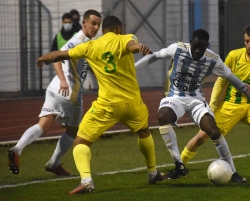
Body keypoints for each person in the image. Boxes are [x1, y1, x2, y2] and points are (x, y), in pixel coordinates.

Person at [37, 15, 164, 195]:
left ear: (103, 30)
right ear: (119, 29)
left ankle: (87, 181)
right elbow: (131, 46)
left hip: (107, 106)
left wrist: (45, 57)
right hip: (132, 103)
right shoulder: (126, 38)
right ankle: (153, 172)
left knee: (80, 141)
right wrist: (139, 47)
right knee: (144, 132)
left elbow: (59, 54)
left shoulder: (90, 46)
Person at [134, 29, 250, 183]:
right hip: (175, 97)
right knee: (162, 116)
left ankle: (233, 172)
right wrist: (133, 68)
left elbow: (235, 81)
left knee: (213, 131)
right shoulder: (178, 49)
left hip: (196, 101)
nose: (198, 51)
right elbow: (155, 56)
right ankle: (178, 163)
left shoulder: (213, 59)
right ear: (191, 42)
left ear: (207, 46)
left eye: (202, 48)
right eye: (195, 47)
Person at [179, 25, 250, 179]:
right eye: (246, 41)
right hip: (230, 105)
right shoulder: (234, 56)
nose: (249, 45)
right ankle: (179, 165)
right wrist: (212, 106)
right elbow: (221, 82)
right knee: (202, 137)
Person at [7, 9, 102, 176]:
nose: (96, 27)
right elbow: (57, 56)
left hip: (54, 88)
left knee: (43, 125)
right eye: (93, 23)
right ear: (84, 23)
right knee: (73, 131)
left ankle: (17, 148)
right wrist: (64, 80)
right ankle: (54, 163)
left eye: (98, 24)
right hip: (69, 92)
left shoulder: (87, 41)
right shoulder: (79, 40)